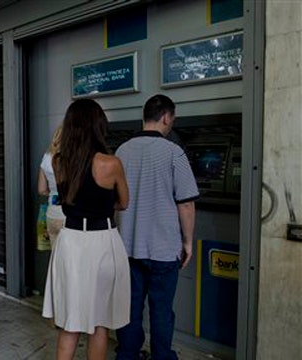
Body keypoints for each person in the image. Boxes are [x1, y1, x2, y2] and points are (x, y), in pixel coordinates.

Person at [42, 98, 130, 360]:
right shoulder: (110, 163)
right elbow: (124, 202)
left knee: (71, 321)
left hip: (70, 242)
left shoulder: (59, 162)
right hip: (102, 240)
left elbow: (70, 195)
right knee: (99, 321)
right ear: (98, 125)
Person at [114, 95, 199, 360]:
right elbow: (185, 205)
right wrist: (188, 242)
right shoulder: (174, 152)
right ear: (165, 117)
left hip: (128, 247)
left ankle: (128, 354)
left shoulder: (121, 151)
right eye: (172, 118)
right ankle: (162, 356)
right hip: (163, 250)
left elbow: (115, 200)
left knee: (129, 308)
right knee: (162, 310)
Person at [37, 125, 65, 248]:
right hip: (68, 215)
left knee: (55, 257)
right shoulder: (74, 158)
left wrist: (53, 193)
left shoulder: (47, 157)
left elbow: (41, 189)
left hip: (52, 213)